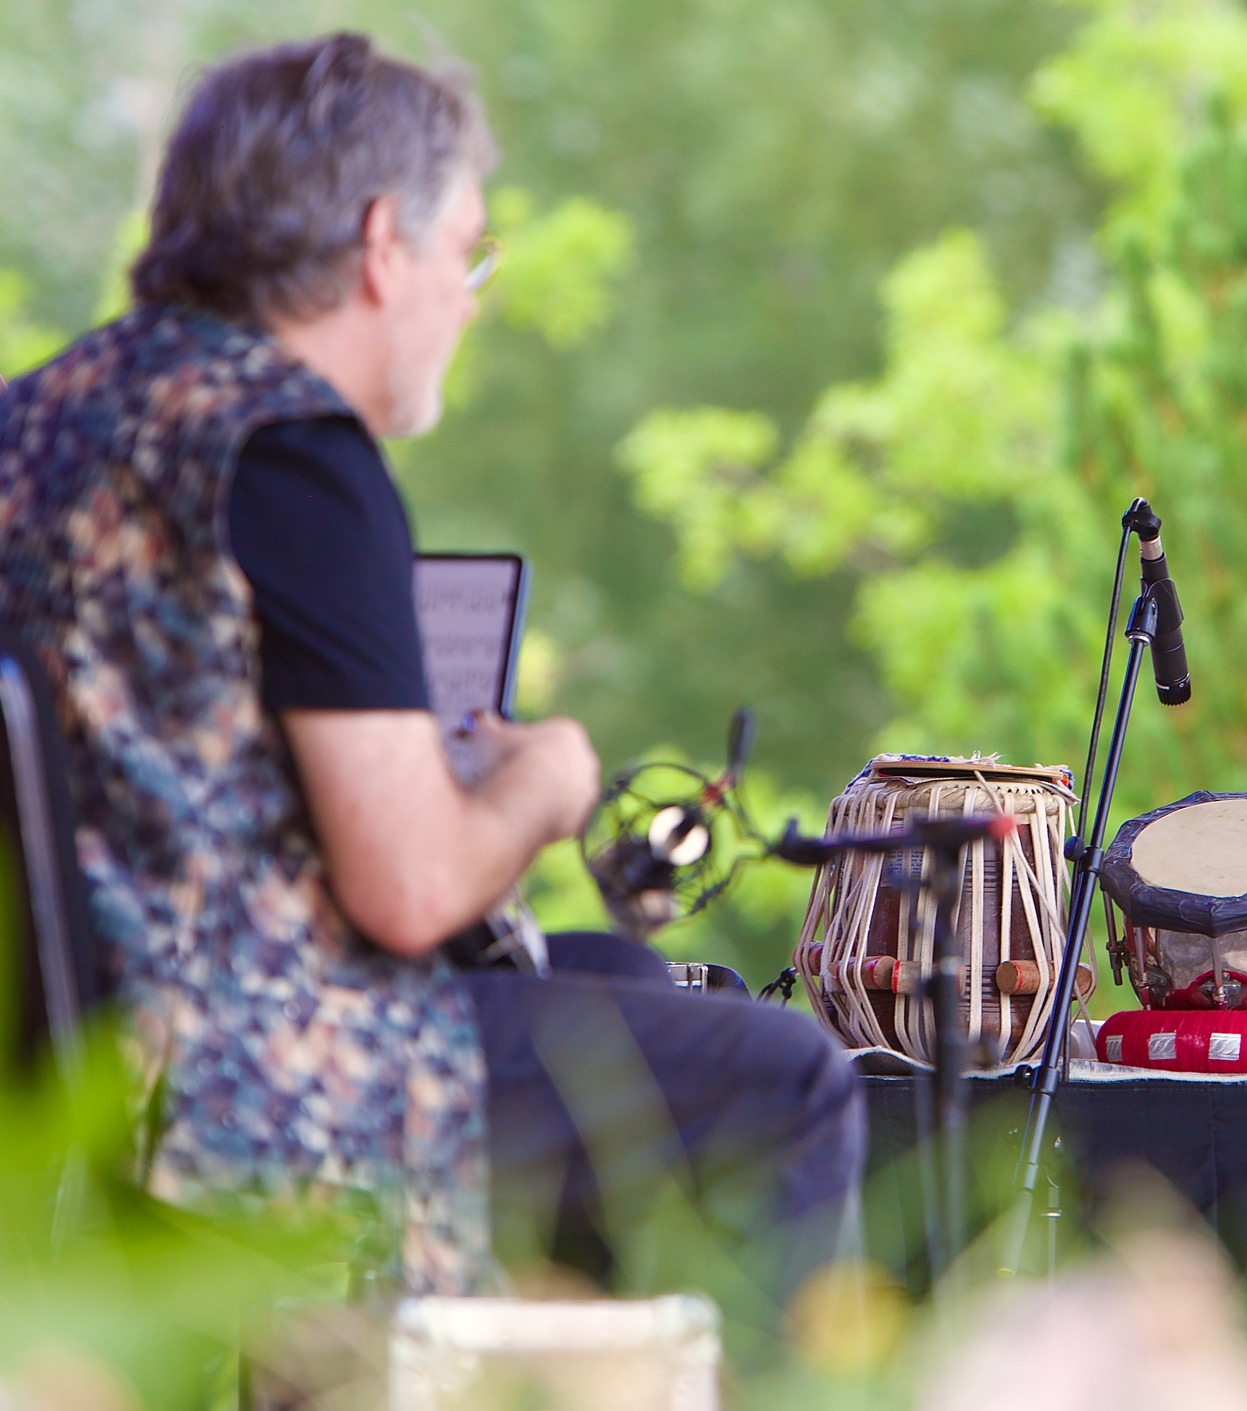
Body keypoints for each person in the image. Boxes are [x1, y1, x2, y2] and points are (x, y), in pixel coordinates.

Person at [0, 34, 861, 1294]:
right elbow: (408, 890)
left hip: (76, 1068)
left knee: (615, 980)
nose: (467, 295)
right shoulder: (293, 451)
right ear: (378, 244)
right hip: (247, 1096)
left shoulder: (36, 419)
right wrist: (540, 783)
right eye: (466, 251)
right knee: (784, 1077)